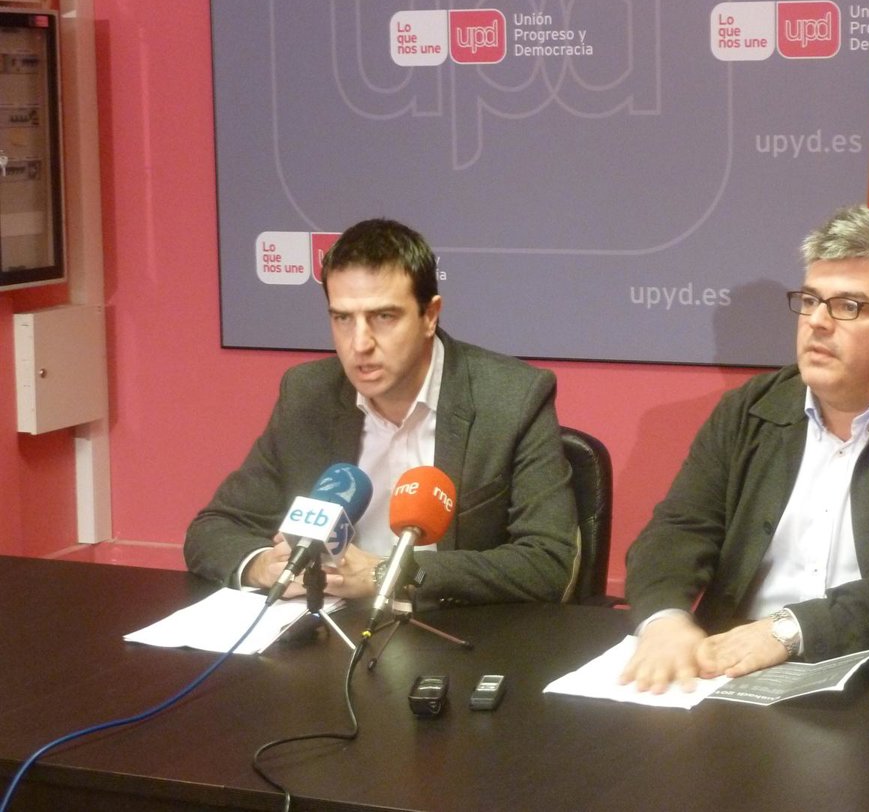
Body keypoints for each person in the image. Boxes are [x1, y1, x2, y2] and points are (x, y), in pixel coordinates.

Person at [620, 205, 869, 692]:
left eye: (848, 306)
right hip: (729, 671)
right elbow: (677, 529)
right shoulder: (748, 411)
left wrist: (790, 631)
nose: (818, 322)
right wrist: (665, 620)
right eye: (810, 300)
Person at [184, 219, 579, 609]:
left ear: (430, 316)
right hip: (333, 626)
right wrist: (264, 567)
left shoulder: (512, 398)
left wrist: (387, 574)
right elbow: (213, 529)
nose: (359, 344)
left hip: (452, 627)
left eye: (384, 317)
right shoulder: (308, 396)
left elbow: (547, 562)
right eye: (343, 318)